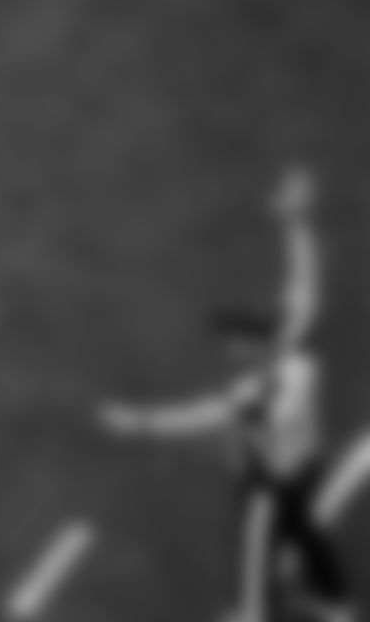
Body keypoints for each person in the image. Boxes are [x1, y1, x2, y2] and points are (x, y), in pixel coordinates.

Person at [99, 167, 353, 622]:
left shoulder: (252, 395)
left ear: (253, 351)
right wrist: (294, 222)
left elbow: (199, 415)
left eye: (236, 346)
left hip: (269, 487)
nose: (230, 352)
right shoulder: (297, 353)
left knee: (252, 576)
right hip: (307, 466)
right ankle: (336, 602)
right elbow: (306, 286)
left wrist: (136, 422)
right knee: (304, 530)